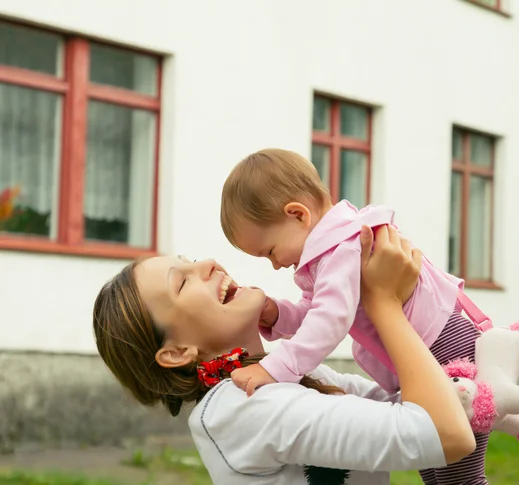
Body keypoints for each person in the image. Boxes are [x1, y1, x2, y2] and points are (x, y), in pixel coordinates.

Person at [93, 225, 475, 485]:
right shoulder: (242, 407)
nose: (207, 264)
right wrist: (383, 303)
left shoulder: (299, 378)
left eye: (190, 259)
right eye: (182, 281)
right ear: (177, 353)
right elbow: (445, 435)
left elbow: (429, 405)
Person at [220, 148, 492, 484]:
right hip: (428, 349)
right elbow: (315, 312)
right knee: (434, 466)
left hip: (446, 349)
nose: (275, 264)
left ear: (297, 215)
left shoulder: (343, 247)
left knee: (458, 475)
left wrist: (276, 369)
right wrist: (277, 314)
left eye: (270, 251)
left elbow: (329, 320)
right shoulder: (328, 253)